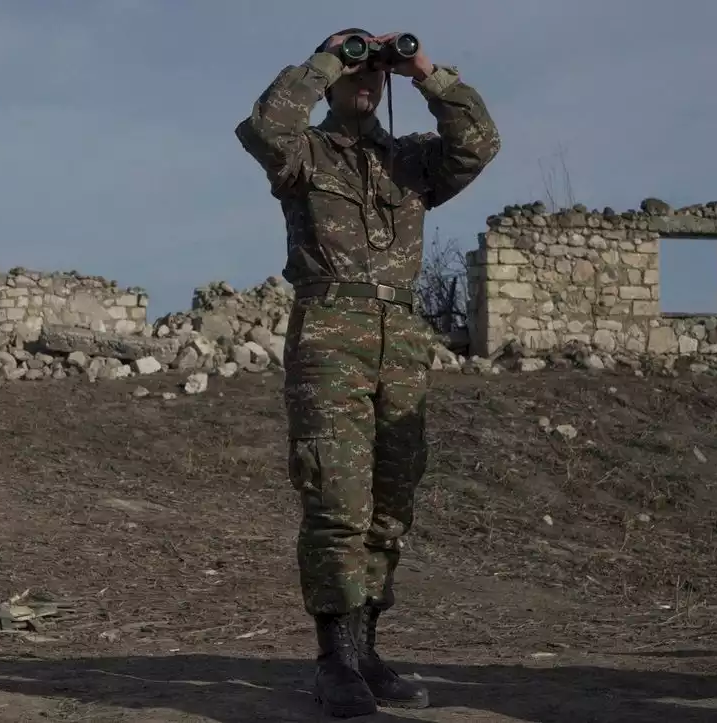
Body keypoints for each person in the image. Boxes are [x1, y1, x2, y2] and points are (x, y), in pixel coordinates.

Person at [234, 27, 500, 718]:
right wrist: (328, 58)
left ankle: (368, 649)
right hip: (329, 337)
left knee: (391, 504)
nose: (365, 77)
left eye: (371, 69)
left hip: (402, 343)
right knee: (336, 498)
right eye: (357, 67)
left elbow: (479, 143)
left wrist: (423, 72)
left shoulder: (411, 162)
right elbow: (265, 127)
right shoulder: (306, 153)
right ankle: (336, 661)